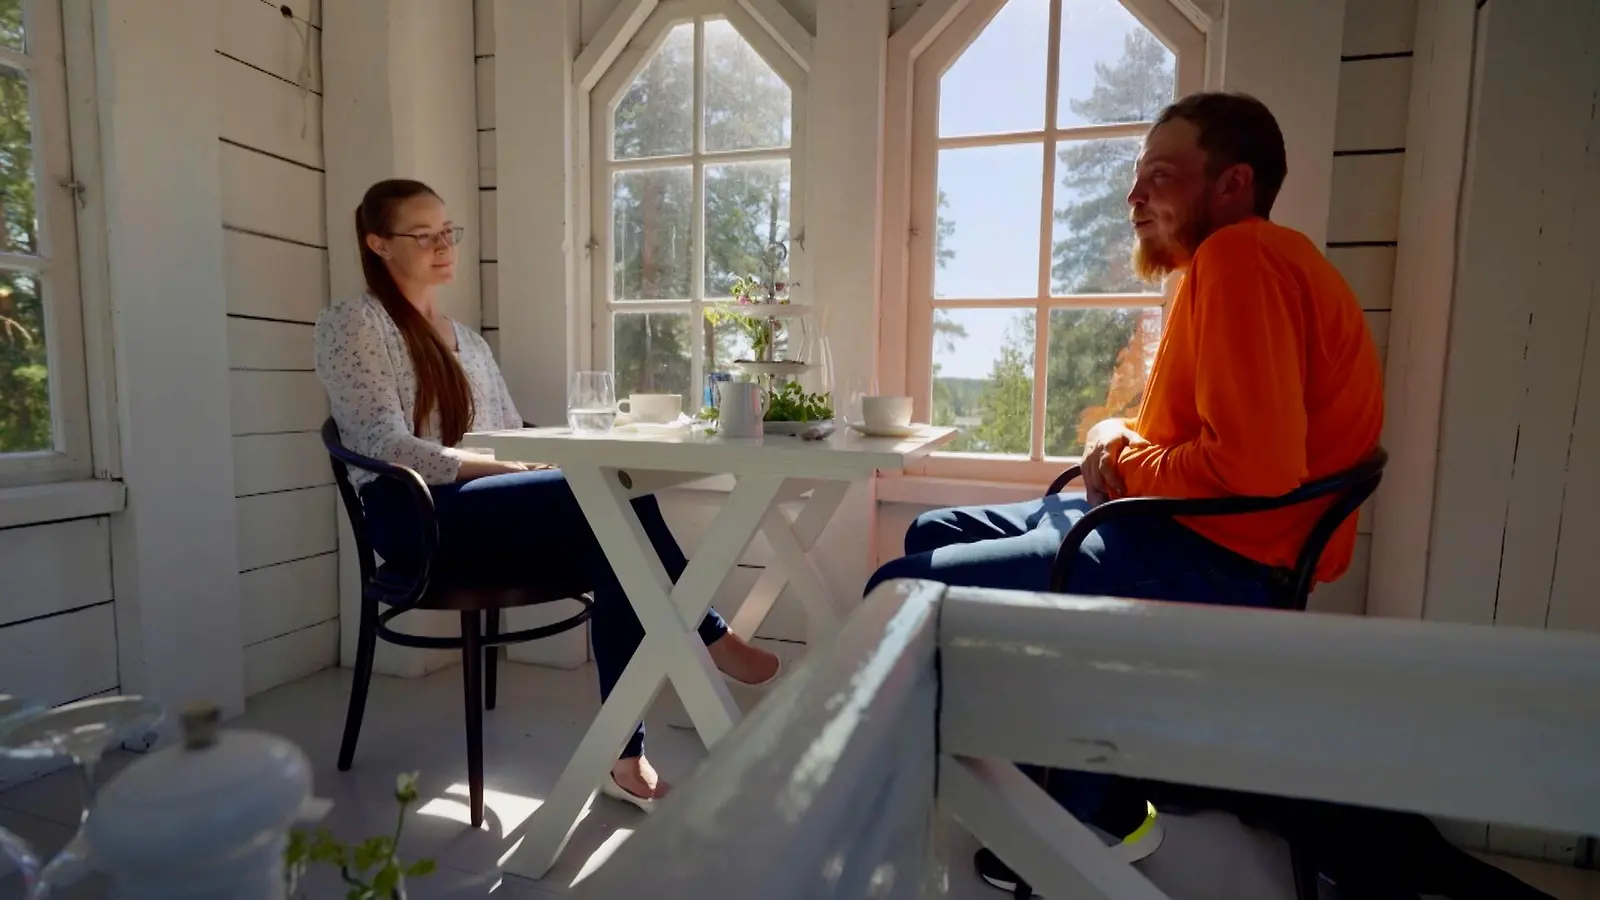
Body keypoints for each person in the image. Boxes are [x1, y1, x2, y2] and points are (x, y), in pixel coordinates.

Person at [867, 92, 1384, 893]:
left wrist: (1125, 460)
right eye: (1136, 177)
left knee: (896, 593)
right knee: (933, 531)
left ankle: (1043, 813)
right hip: (1189, 538)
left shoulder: (1241, 259)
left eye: (1160, 176)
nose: (1133, 196)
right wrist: (1116, 434)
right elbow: (1188, 434)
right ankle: (1083, 792)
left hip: (1219, 564)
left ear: (1233, 184)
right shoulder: (1245, 266)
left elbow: (1254, 471)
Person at [315, 178, 780, 812]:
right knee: (607, 503)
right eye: (423, 236)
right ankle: (709, 634)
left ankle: (624, 757)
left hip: (484, 508)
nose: (443, 246)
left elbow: (509, 432)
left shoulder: (467, 339)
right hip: (414, 513)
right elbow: (384, 443)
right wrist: (504, 468)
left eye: (447, 231)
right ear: (378, 244)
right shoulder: (354, 322)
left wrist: (542, 459)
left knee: (618, 533)